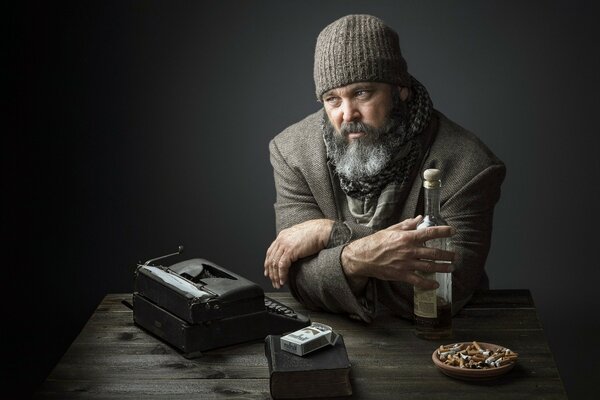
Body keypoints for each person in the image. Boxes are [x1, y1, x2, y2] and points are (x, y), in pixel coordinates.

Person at [263, 14, 505, 322]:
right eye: (332, 99)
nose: (347, 114)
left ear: (399, 89)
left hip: (444, 337)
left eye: (362, 93)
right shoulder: (292, 152)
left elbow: (444, 288)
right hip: (335, 338)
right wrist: (359, 255)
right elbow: (301, 281)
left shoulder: (469, 165)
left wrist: (333, 236)